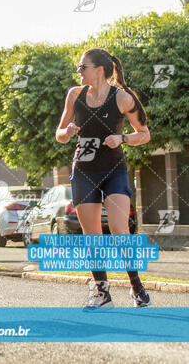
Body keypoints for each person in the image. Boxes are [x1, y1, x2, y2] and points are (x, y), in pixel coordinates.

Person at [56, 48, 151, 308]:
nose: (78, 71)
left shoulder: (122, 98)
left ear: (98, 70)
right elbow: (59, 134)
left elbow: (144, 133)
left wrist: (122, 138)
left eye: (82, 66)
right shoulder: (75, 95)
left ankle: (137, 287)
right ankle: (102, 292)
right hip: (84, 169)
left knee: (120, 230)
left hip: (114, 169)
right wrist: (68, 130)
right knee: (93, 235)